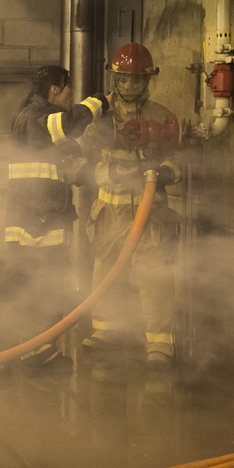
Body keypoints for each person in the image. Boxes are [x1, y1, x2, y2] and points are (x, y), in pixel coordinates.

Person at [0, 65, 109, 366]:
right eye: (69, 91)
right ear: (54, 91)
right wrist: (101, 101)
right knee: (40, 286)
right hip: (39, 221)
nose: (71, 97)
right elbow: (72, 122)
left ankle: (28, 351)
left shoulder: (31, 121)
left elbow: (65, 165)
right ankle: (20, 354)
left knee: (36, 287)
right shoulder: (36, 119)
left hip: (38, 218)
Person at [80, 43, 182, 363]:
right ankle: (108, 330)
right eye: (123, 80)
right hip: (110, 209)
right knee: (106, 270)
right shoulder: (101, 117)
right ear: (115, 80)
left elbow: (180, 163)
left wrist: (165, 173)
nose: (129, 86)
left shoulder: (163, 116)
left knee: (153, 276)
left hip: (150, 210)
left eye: (136, 80)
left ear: (147, 81)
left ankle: (159, 344)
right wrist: (109, 172)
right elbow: (80, 162)